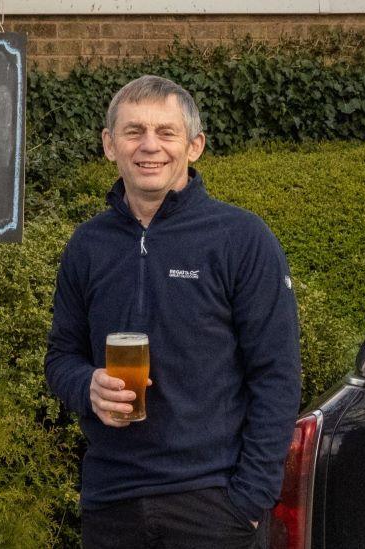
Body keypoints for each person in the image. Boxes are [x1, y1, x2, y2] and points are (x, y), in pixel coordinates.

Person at [44, 75, 301, 548]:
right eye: (133, 131)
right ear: (109, 145)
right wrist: (88, 387)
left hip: (213, 503)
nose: (149, 146)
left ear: (194, 145)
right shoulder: (87, 246)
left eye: (166, 132)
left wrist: (250, 500)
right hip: (112, 502)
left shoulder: (242, 239)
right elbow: (61, 357)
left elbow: (277, 376)